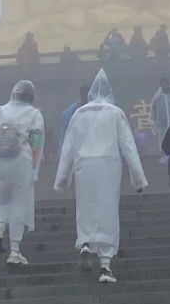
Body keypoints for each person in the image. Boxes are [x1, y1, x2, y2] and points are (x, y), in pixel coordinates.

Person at [54, 69, 148, 284]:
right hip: (108, 166)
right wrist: (138, 179)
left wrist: (62, 179)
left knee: (86, 207)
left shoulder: (79, 114)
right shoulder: (116, 113)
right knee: (107, 212)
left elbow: (68, 147)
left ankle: (86, 245)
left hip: (84, 167)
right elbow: (128, 146)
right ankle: (105, 267)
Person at [0, 80, 44, 266]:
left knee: (0, 200)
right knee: (18, 203)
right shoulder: (34, 114)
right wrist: (33, 169)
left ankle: (0, 228)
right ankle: (15, 251)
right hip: (21, 163)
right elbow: (37, 144)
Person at [149, 78, 170, 159]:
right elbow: (153, 109)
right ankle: (164, 158)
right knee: (163, 141)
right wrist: (154, 123)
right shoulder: (157, 96)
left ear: (169, 84)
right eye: (163, 84)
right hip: (162, 124)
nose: (165, 86)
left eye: (166, 84)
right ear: (160, 86)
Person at [59, 86, 89, 155]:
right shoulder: (71, 112)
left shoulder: (93, 111)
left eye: (86, 95)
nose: (85, 97)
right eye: (83, 95)